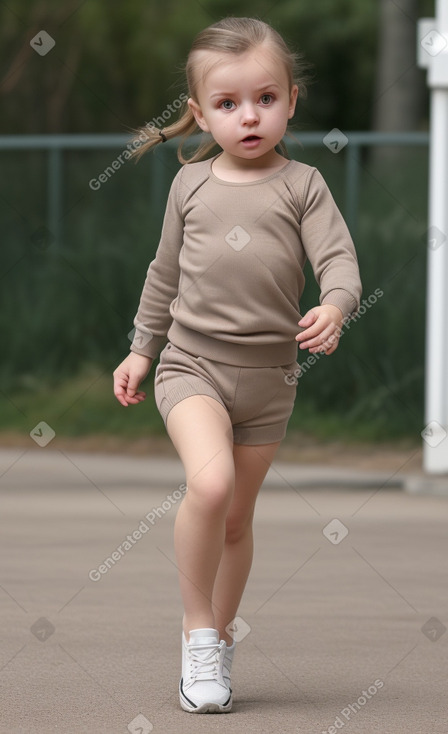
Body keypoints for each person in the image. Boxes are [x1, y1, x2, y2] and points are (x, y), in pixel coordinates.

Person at [113, 16, 362, 714]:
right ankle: (196, 634)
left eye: (264, 98)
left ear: (290, 99)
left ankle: (219, 640)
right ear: (199, 113)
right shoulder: (189, 186)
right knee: (211, 483)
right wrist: (141, 349)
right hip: (191, 366)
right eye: (227, 104)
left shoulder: (304, 184)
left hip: (269, 381)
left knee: (234, 521)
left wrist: (337, 306)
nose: (248, 116)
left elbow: (338, 262)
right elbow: (163, 276)